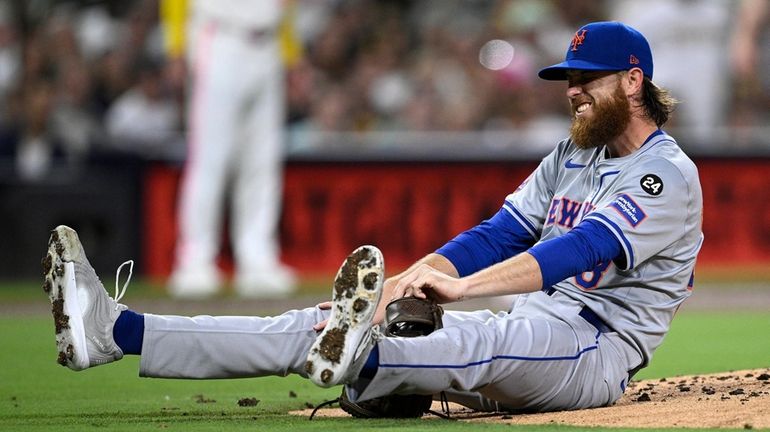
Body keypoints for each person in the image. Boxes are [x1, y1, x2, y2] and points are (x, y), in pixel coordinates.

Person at [43, 21, 703, 414]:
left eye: (587, 76)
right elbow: (503, 231)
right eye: (568, 77)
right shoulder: (573, 153)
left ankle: (368, 370)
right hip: (531, 323)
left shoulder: (665, 173)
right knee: (321, 323)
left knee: (465, 342)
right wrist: (421, 275)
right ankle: (115, 331)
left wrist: (462, 289)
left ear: (633, 81)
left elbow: (583, 248)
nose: (573, 89)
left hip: (590, 348)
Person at [162, 0, 297, 299]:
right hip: (220, 37)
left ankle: (258, 259)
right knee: (210, 159)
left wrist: (290, 51)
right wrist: (175, 44)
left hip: (269, 42)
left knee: (262, 162)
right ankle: (194, 261)